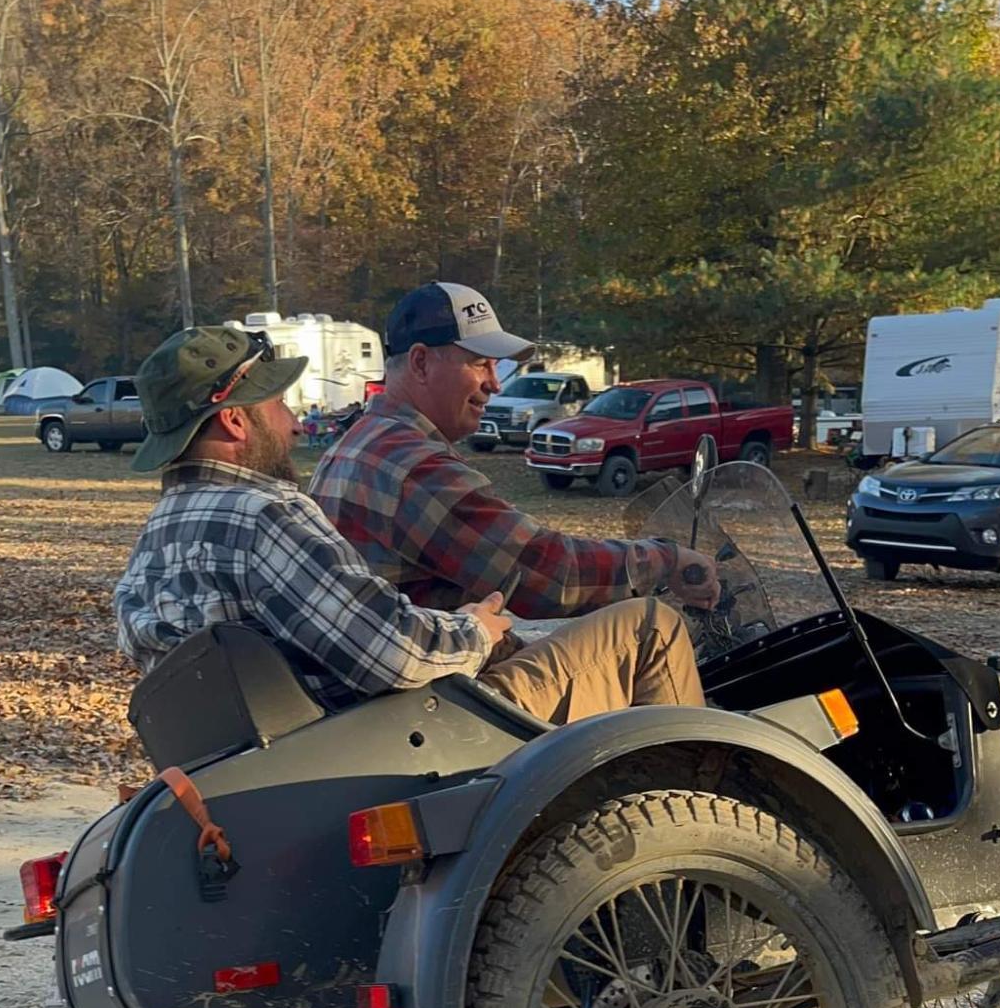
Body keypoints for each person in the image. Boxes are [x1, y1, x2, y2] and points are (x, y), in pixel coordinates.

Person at [114, 323, 704, 725]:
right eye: (279, 405)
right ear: (236, 422)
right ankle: (714, 835)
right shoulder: (263, 515)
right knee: (651, 628)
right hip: (394, 744)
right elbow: (394, 653)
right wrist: (476, 631)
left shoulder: (154, 542)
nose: (294, 424)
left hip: (292, 757)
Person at [309, 280, 721, 624]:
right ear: (420, 363)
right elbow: (551, 575)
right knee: (652, 631)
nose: (495, 383)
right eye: (479, 364)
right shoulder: (416, 466)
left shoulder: (356, 444)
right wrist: (666, 560)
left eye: (495, 366)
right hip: (445, 689)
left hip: (411, 676)